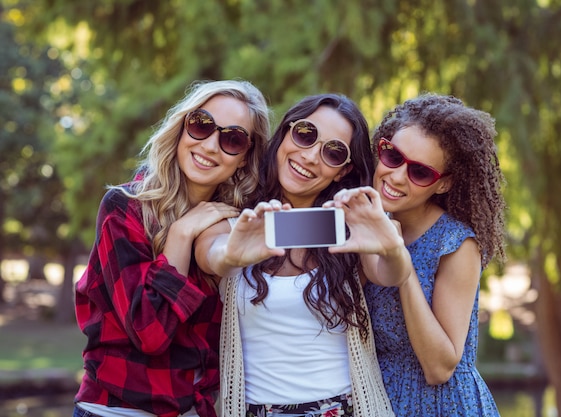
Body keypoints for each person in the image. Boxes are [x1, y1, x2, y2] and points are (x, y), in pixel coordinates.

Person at [73, 79, 271, 417]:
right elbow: (150, 334)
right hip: (117, 410)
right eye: (201, 125)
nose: (210, 146)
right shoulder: (124, 208)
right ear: (181, 128)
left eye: (232, 139)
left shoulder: (237, 225)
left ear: (244, 158)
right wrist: (181, 233)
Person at [194, 94, 395, 417]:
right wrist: (231, 254)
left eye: (333, 152)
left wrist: (393, 249)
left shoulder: (349, 229)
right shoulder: (232, 223)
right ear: (285, 133)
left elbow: (389, 274)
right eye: (305, 134)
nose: (312, 156)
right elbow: (211, 256)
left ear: (343, 171)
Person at [326, 93, 506, 416]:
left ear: (443, 184)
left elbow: (439, 368)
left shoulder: (455, 243)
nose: (396, 176)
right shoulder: (362, 220)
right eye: (392, 156)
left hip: (441, 405)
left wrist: (403, 268)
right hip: (377, 401)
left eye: (420, 172)